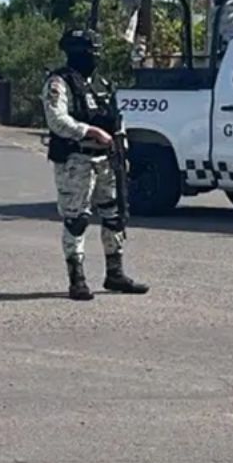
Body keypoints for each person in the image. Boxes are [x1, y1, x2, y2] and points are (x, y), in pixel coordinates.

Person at [43, 29, 150, 301]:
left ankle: (115, 273)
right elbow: (57, 120)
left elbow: (116, 119)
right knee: (77, 219)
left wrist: (122, 150)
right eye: (90, 52)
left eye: (96, 52)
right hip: (76, 160)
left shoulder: (100, 83)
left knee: (115, 215)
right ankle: (76, 279)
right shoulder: (59, 82)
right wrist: (89, 131)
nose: (94, 57)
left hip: (107, 161)